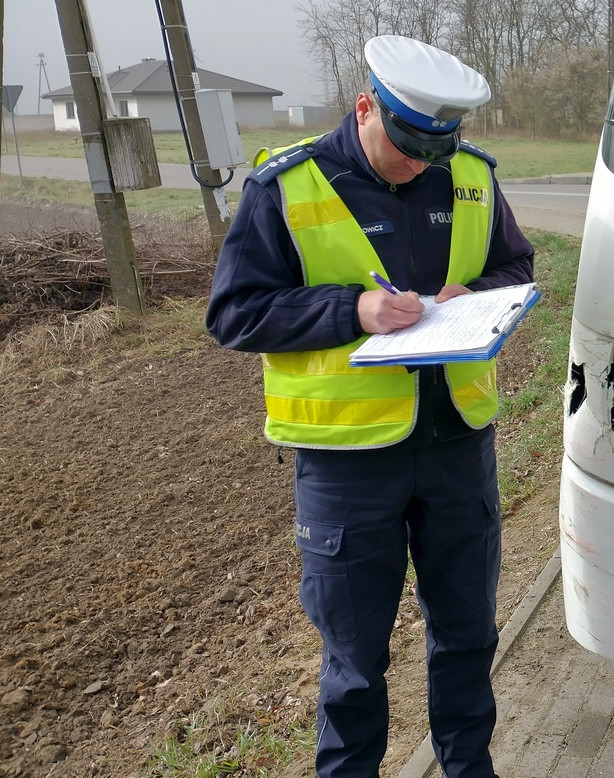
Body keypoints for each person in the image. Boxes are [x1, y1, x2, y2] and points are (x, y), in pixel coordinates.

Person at [205, 35, 534, 778]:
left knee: (468, 637)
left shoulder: (471, 176)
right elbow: (234, 313)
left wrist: (472, 297)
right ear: (364, 107)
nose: (420, 165)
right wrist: (353, 309)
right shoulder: (285, 187)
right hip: (348, 468)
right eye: (407, 147)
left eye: (434, 152)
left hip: (456, 451)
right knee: (355, 664)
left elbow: (515, 264)